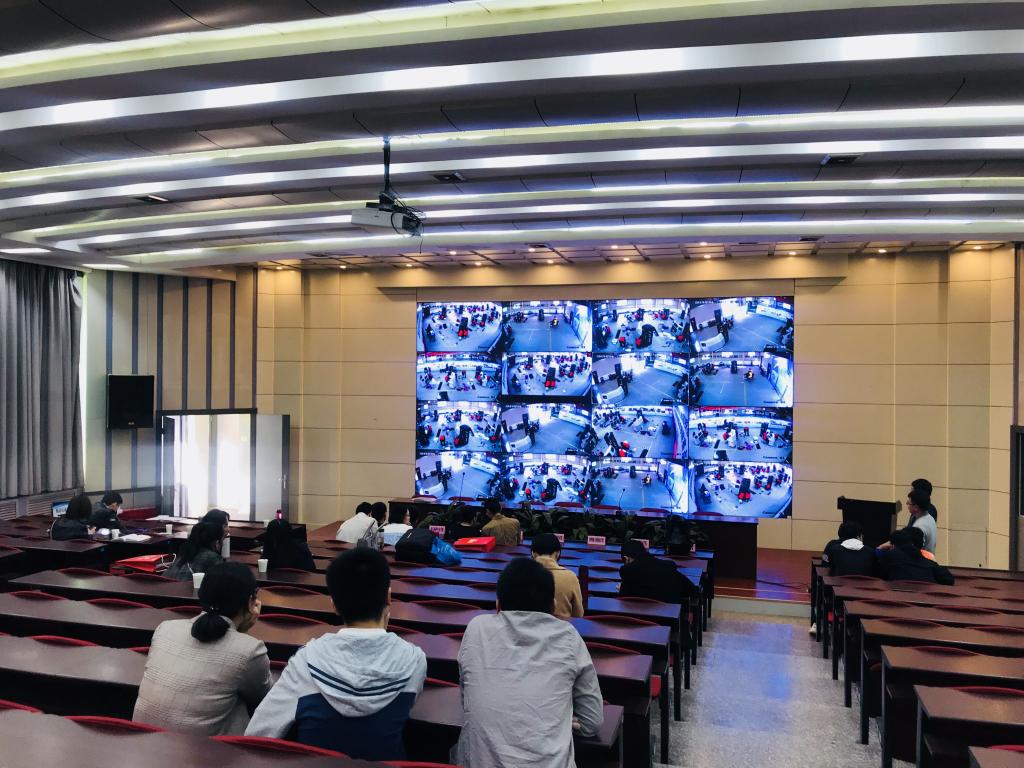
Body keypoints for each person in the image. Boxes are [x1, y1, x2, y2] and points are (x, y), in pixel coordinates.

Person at [246, 548, 427, 760]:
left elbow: (258, 734)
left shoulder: (305, 661)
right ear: (388, 597)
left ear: (334, 605)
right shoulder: (415, 661)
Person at [455, 558, 602, 767]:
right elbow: (591, 723)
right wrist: (558, 718)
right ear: (553, 606)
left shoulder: (476, 628)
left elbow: (467, 700)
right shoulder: (569, 636)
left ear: (498, 605)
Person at [133, 562, 271, 735]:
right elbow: (264, 700)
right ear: (251, 602)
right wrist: (242, 633)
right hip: (203, 750)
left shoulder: (165, 628)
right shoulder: (251, 650)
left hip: (143, 741)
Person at [530, 533, 584, 619]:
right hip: (562, 626)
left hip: (528, 626)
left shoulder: (520, 575)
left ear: (533, 553)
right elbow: (578, 614)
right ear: (558, 553)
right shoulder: (570, 577)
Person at [619, 539, 690, 603]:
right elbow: (691, 591)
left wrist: (622, 586)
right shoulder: (668, 567)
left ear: (626, 559)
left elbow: (624, 598)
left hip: (637, 612)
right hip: (669, 612)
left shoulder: (627, 572)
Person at [875, 529, 954, 584]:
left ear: (892, 545)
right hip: (924, 599)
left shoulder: (890, 556)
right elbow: (949, 579)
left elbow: (878, 575)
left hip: (897, 595)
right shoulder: (928, 562)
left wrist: (879, 549)